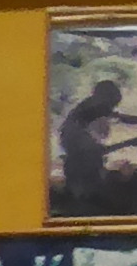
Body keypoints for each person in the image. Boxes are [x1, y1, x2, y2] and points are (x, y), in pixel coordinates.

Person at [54, 79, 126, 211]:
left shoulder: (87, 109)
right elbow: (97, 150)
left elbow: (120, 117)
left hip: (77, 159)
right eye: (112, 104)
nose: (112, 108)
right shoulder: (90, 115)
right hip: (81, 165)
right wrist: (130, 143)